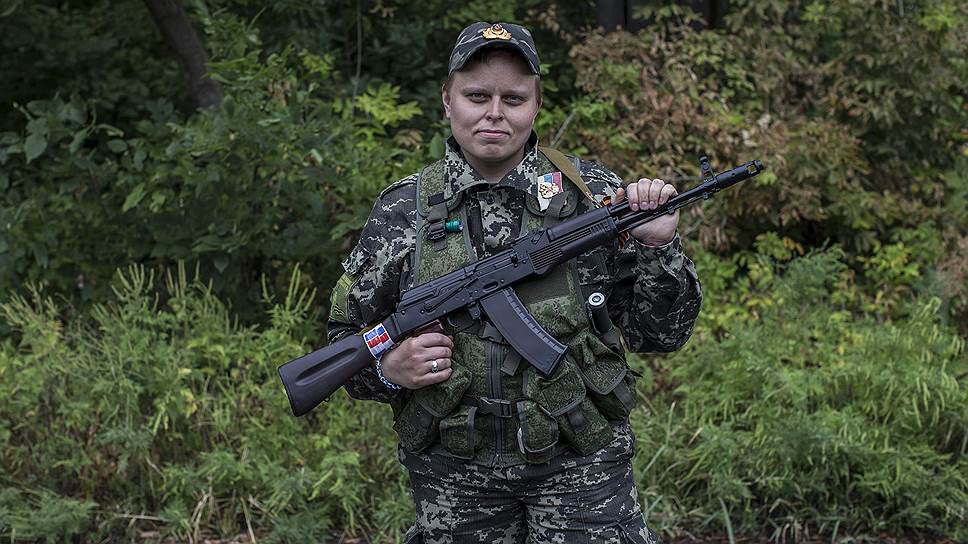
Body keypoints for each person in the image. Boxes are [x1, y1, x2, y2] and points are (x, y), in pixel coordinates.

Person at [326, 21, 702, 544]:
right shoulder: (402, 209)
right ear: (447, 99)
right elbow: (343, 346)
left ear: (538, 104)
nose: (494, 113)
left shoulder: (597, 197)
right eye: (476, 95)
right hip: (456, 475)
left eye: (514, 97)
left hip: (582, 466)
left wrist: (659, 246)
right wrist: (391, 370)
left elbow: (661, 334)